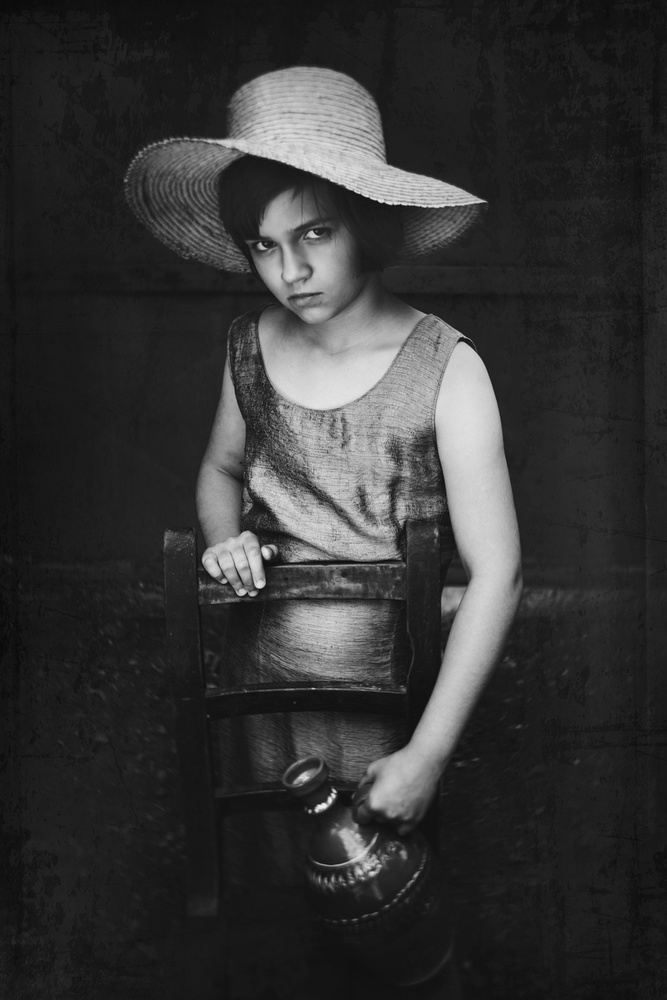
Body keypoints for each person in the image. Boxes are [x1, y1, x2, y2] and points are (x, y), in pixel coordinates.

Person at [124, 66, 522, 886]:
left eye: (313, 233)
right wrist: (225, 539)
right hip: (257, 691)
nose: (289, 271)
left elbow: (499, 572)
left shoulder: (446, 367)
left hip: (390, 706)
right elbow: (219, 468)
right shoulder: (249, 344)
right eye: (264, 245)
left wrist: (427, 754)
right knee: (275, 888)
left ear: (364, 223)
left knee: (379, 900)